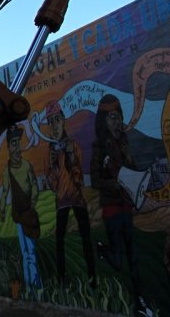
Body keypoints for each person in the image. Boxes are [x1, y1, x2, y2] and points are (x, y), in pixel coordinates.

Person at [90, 94, 149, 316]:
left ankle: (139, 301)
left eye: (119, 117)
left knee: (133, 257)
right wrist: (112, 185)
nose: (117, 122)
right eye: (112, 117)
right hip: (112, 209)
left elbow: (132, 168)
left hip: (126, 207)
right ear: (104, 120)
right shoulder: (99, 146)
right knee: (117, 260)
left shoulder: (123, 142)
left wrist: (130, 160)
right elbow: (95, 180)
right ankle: (102, 250)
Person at [43, 100, 96, 287]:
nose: (54, 125)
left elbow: (79, 178)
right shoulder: (49, 151)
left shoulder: (73, 145)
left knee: (86, 238)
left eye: (57, 120)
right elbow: (52, 185)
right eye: (50, 122)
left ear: (63, 121)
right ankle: (62, 278)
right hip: (61, 202)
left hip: (77, 200)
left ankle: (92, 277)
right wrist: (53, 164)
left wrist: (71, 156)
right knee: (59, 241)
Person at [0, 124, 42, 291]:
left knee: (31, 252)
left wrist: (31, 205)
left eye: (18, 143)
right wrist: (2, 211)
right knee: (25, 253)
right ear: (9, 147)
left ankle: (36, 285)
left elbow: (34, 187)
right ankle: (30, 286)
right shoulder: (7, 171)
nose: (17, 147)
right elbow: (4, 193)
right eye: (13, 144)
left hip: (28, 216)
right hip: (18, 218)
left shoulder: (26, 166)